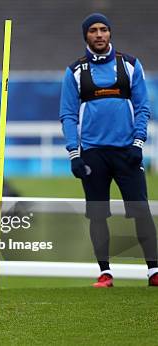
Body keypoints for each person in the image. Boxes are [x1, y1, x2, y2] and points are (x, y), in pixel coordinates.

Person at [59, 13, 158, 288]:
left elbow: (142, 108)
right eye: (93, 30)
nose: (99, 34)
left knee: (140, 210)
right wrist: (74, 153)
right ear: (86, 36)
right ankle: (105, 273)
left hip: (127, 151)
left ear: (110, 33)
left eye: (104, 29)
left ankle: (154, 271)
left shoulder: (130, 65)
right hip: (92, 154)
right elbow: (68, 115)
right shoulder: (75, 72)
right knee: (98, 214)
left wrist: (138, 142)